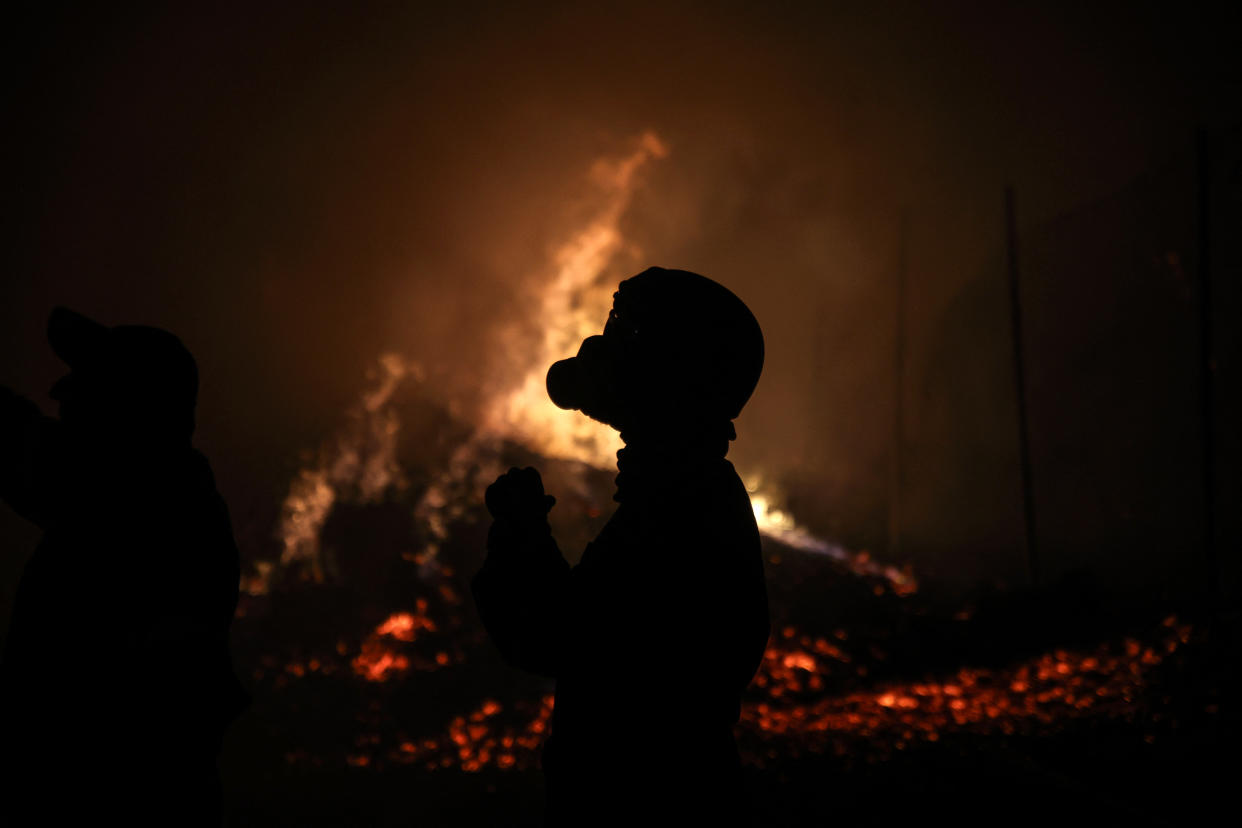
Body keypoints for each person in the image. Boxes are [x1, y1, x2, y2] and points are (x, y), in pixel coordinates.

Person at [473, 267, 770, 826]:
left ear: (673, 371)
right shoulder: (690, 492)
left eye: (627, 335)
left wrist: (519, 531)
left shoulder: (676, 510)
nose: (602, 349)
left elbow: (554, 636)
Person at [0, 308, 247, 825]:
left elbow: (22, 449)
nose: (61, 399)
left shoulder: (149, 504)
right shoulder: (159, 496)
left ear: (132, 413)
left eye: (86, 389)